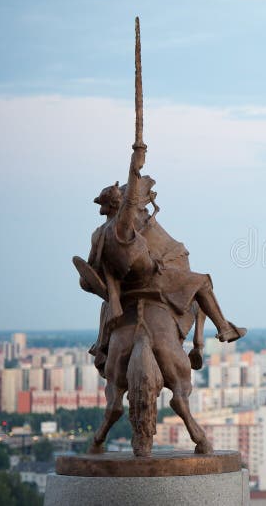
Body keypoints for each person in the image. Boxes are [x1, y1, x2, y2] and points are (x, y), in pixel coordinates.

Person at [76, 145, 245, 374]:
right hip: (150, 278)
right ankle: (224, 328)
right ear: (119, 204)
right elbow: (132, 197)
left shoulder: (98, 234)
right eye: (123, 201)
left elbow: (89, 277)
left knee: (106, 306)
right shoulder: (122, 227)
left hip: (122, 289)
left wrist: (108, 287)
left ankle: (102, 344)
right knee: (203, 282)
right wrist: (135, 164)